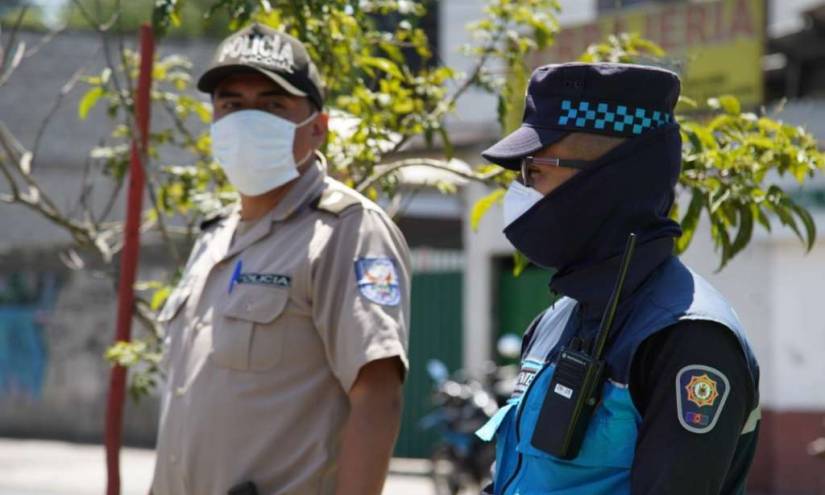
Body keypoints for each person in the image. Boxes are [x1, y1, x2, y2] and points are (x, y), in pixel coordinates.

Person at [476, 63, 761, 494]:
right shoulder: (557, 319)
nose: (520, 191)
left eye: (535, 171)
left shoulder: (688, 338)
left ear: (606, 179)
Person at [150, 23, 411, 495]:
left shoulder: (346, 231)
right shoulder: (214, 236)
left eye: (273, 104)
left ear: (317, 127)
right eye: (231, 104)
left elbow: (378, 395)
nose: (248, 120)